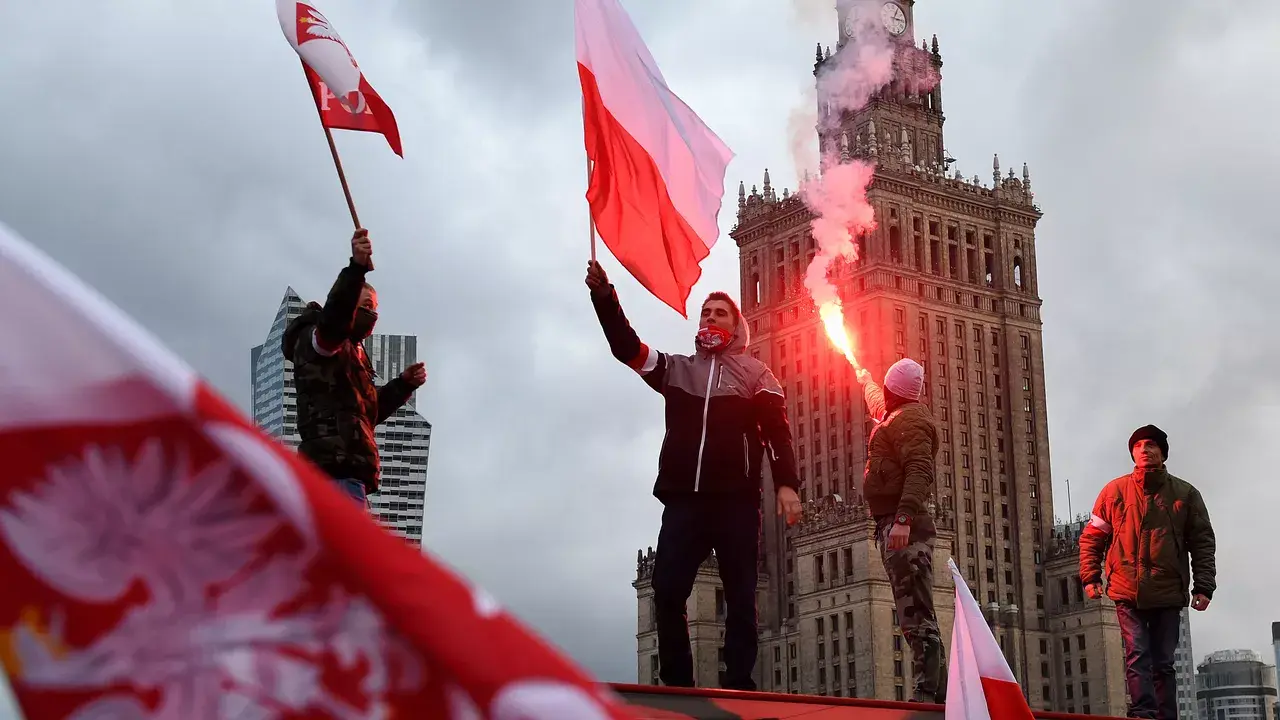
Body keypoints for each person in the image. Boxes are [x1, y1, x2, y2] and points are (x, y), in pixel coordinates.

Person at [586, 260, 802, 691]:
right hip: (684, 499)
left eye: (720, 313)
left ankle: (739, 683)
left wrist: (786, 485)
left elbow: (778, 432)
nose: (711, 318)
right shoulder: (677, 368)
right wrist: (604, 297)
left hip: (736, 501)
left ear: (736, 326)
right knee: (666, 590)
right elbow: (626, 348)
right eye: (706, 313)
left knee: (741, 594)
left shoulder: (756, 374)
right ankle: (679, 685)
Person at [1079, 424, 1216, 720]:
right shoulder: (1114, 492)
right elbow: (1092, 537)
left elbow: (1202, 542)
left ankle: (1166, 715)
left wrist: (1204, 587)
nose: (1144, 450)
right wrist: (1090, 577)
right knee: (1137, 655)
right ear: (1132, 453)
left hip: (1168, 591)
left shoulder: (1185, 494)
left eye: (1150, 445)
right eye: (1138, 445)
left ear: (1162, 453)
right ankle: (1143, 713)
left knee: (1163, 662)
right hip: (1127, 590)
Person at [282, 228, 427, 508]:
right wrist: (356, 269)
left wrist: (403, 385)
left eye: (375, 309)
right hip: (333, 473)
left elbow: (365, 413)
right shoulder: (321, 340)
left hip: (348, 475)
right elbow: (334, 324)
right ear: (350, 306)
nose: (372, 314)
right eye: (366, 306)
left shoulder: (355, 354)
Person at [855, 358, 946, 703]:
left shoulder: (910, 420)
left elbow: (920, 470)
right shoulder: (898, 415)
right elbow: (878, 403)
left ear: (894, 391)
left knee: (916, 612)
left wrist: (904, 520)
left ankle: (928, 693)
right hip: (893, 523)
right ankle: (937, 690)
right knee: (914, 611)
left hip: (904, 526)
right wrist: (865, 380)